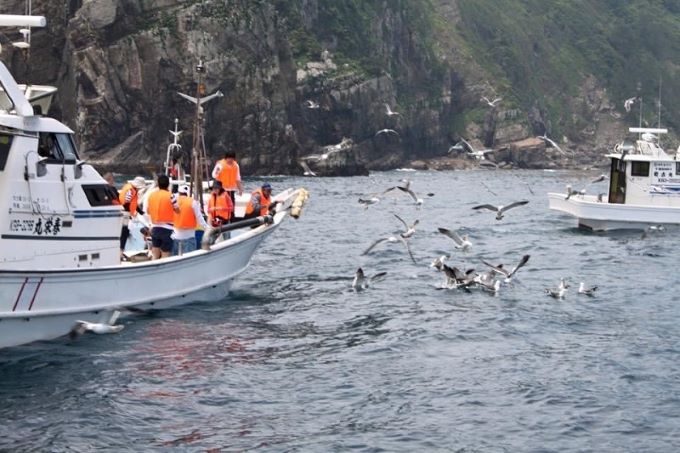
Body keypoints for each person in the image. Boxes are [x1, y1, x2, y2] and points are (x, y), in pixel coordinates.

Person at [146, 174, 179, 259]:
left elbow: (148, 211)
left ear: (158, 184)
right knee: (165, 254)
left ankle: (153, 269)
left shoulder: (151, 196)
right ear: (168, 184)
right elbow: (177, 210)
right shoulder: (171, 196)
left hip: (155, 228)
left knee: (155, 253)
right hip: (167, 229)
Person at [172, 185, 210, 255]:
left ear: (179, 192)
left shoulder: (173, 202)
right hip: (189, 237)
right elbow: (200, 219)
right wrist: (208, 229)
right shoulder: (193, 202)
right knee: (189, 260)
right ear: (188, 193)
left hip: (175, 237)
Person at [118, 176, 147, 257]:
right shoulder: (131, 190)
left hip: (124, 213)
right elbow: (127, 202)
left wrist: (141, 213)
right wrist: (129, 214)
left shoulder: (129, 187)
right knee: (124, 232)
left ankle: (121, 250)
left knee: (124, 232)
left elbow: (131, 203)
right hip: (125, 214)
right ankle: (121, 251)